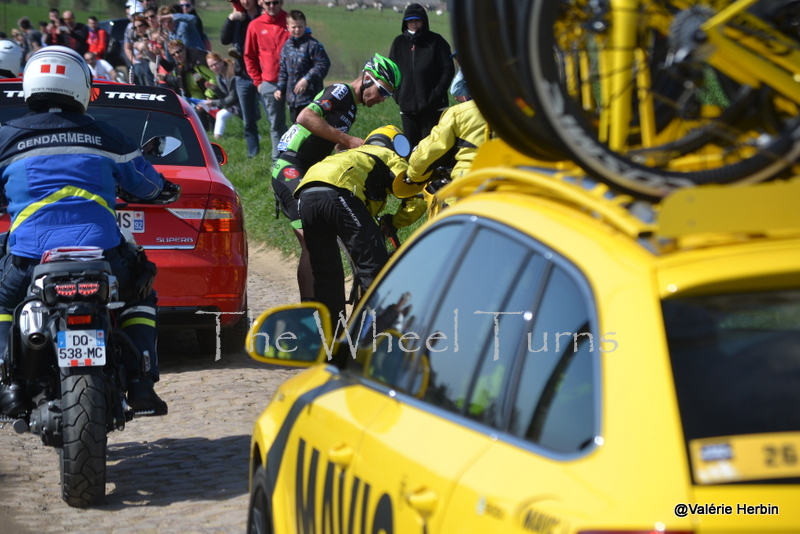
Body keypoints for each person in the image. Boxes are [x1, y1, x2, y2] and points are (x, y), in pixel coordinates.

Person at [0, 46, 169, 416]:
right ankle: (141, 384)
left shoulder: (5, 137)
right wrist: (164, 189)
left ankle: (10, 386)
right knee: (139, 292)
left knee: (2, 303)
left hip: (29, 257)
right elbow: (147, 185)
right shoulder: (106, 136)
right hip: (103, 253)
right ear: (80, 86)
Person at [272, 54, 400, 301]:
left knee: (319, 242)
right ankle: (310, 311)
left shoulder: (351, 108)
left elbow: (336, 146)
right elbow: (305, 117)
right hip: (291, 166)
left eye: (388, 96)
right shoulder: (341, 91)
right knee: (311, 244)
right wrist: (348, 140)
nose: (382, 100)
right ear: (367, 79)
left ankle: (324, 305)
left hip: (309, 170)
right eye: (382, 91)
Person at [295, 126, 425, 322]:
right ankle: (369, 333)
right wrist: (395, 222)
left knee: (325, 271)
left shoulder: (351, 154)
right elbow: (416, 196)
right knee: (373, 265)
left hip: (305, 194)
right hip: (338, 193)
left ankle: (330, 337)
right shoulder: (387, 155)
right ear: (394, 145)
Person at [389, 3, 454, 148]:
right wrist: (398, 96)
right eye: (410, 21)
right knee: (411, 150)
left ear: (424, 21)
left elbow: (448, 69)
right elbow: (391, 71)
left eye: (417, 20)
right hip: (407, 109)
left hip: (432, 108)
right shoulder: (399, 43)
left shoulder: (436, 41)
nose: (414, 24)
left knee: (431, 149)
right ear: (405, 22)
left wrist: (436, 93)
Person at [405, 96, 489, 203]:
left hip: (466, 187)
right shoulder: (516, 111)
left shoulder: (460, 113)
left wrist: (412, 175)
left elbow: (429, 151)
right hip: (512, 184)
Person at [244, 0, 290, 160]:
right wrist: (258, 82)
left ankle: (300, 158)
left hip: (294, 83)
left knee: (301, 121)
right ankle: (278, 160)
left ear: (281, 2)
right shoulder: (255, 25)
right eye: (268, 3)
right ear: (261, 3)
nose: (272, 6)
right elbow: (249, 56)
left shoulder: (291, 21)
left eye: (275, 2)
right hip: (269, 83)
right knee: (276, 124)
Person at [220, 0, 262, 157]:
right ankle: (253, 154)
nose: (246, 1)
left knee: (273, 119)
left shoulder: (262, 15)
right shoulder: (238, 17)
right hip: (242, 75)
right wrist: (230, 19)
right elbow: (224, 39)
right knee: (248, 120)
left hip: (263, 75)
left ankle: (280, 153)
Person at [275, 10, 330, 123]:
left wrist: (307, 79)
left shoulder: (313, 45)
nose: (297, 30)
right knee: (296, 130)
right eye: (294, 27)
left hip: (310, 100)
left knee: (311, 134)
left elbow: (323, 64)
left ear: (305, 26)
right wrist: (280, 88)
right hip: (293, 100)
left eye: (300, 26)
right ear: (288, 27)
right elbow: (283, 70)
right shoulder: (286, 47)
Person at [163, 40, 216, 129]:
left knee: (213, 122)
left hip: (214, 92)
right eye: (173, 54)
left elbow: (214, 78)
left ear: (185, 49)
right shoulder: (180, 67)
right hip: (199, 95)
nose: (177, 55)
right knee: (199, 118)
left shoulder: (197, 60)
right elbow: (192, 89)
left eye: (179, 51)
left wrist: (208, 96)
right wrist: (199, 102)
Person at [204, 53, 240, 138]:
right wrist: (215, 88)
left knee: (221, 115)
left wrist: (213, 103)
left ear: (221, 61)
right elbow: (224, 96)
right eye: (211, 66)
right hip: (234, 103)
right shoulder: (219, 77)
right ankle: (217, 138)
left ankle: (217, 138)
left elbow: (232, 97)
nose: (214, 68)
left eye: (215, 64)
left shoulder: (232, 73)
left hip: (243, 103)